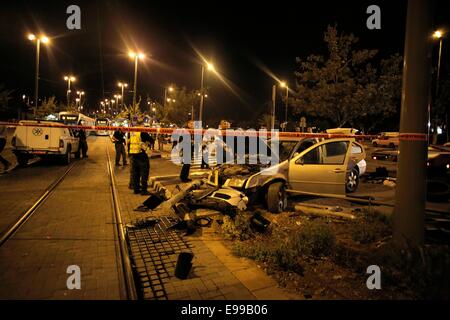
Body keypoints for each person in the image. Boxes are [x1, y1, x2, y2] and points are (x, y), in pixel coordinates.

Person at [129, 128, 153, 195]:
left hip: (133, 155)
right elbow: (151, 140)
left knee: (136, 173)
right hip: (141, 155)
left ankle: (136, 189)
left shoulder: (132, 132)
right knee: (144, 173)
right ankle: (144, 190)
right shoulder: (142, 132)